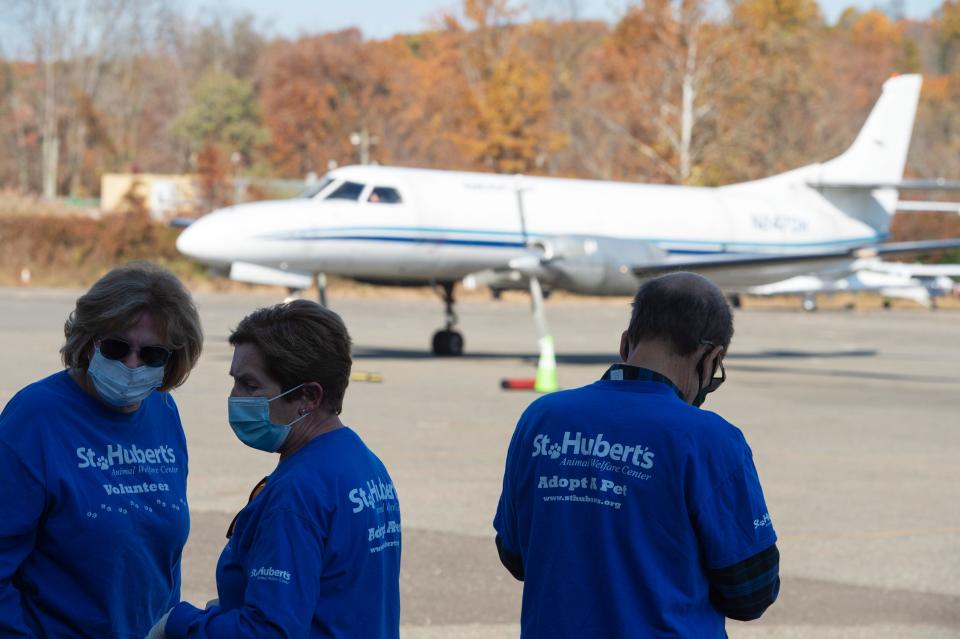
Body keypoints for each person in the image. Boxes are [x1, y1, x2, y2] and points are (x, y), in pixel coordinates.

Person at [493, 272, 779, 638]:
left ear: (626, 344)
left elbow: (515, 555)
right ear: (710, 359)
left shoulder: (542, 418)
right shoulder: (710, 440)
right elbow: (751, 592)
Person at [152, 300, 401, 639]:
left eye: (250, 386)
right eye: (235, 381)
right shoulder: (365, 465)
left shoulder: (298, 491)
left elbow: (270, 632)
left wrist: (180, 624)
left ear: (308, 397)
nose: (234, 397)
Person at [0, 262, 204, 637]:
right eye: (116, 347)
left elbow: (160, 559)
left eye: (152, 355)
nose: (131, 364)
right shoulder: (35, 418)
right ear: (89, 341)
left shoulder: (163, 411)